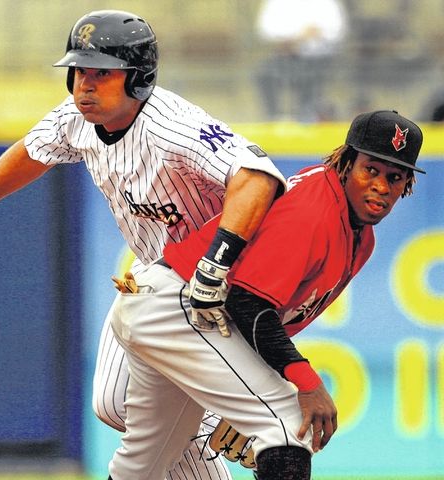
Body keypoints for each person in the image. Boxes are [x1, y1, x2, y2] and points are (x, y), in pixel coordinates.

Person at [0, 9, 286, 480]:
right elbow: (33, 150)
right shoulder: (75, 118)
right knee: (114, 405)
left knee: (158, 418)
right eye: (79, 71)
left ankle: (237, 418)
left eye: (102, 73)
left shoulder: (173, 126)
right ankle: (219, 420)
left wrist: (217, 263)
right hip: (152, 277)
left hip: (212, 290)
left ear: (138, 77)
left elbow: (256, 177)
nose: (84, 85)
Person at [106, 110, 425, 480]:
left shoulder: (358, 236)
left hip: (177, 312)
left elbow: (265, 313)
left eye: (395, 177)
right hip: (180, 304)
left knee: (143, 464)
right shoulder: (314, 210)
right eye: (370, 169)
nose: (382, 187)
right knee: (289, 425)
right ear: (346, 162)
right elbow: (246, 301)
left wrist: (249, 385)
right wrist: (305, 381)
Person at [254, 0, 347, 121]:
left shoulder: (328, 3)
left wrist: (317, 33)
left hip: (319, 57)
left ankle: (307, 117)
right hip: (285, 57)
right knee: (264, 74)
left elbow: (337, 31)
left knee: (309, 77)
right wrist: (296, 37)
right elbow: (265, 30)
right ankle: (274, 118)